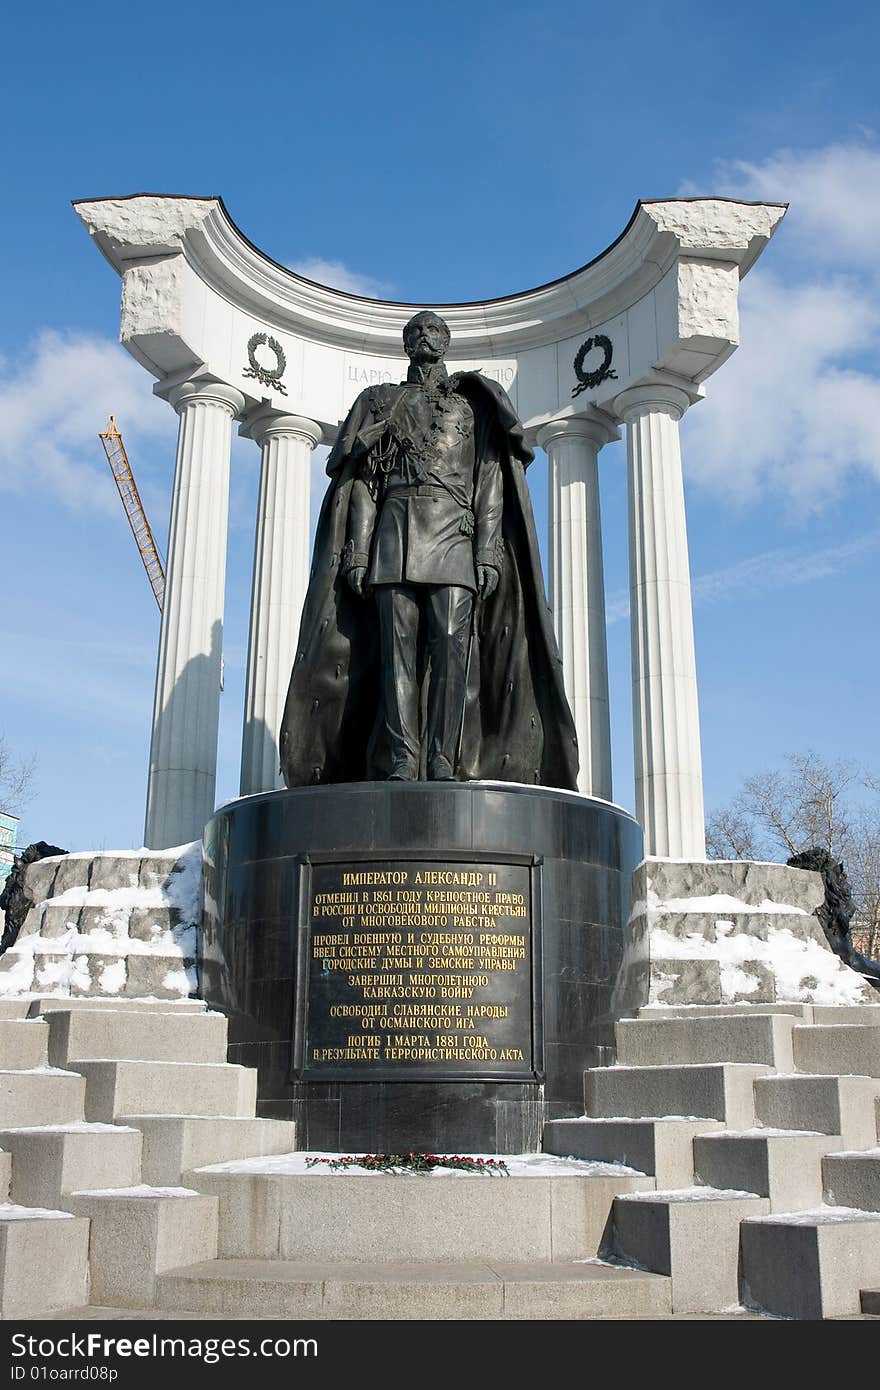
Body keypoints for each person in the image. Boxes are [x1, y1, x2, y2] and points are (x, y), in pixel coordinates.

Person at [279, 311, 578, 791]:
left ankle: (444, 759)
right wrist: (357, 550)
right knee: (396, 657)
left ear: (445, 341)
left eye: (434, 330)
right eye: (416, 330)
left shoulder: (471, 407)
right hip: (393, 539)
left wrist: (486, 550)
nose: (425, 334)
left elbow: (490, 484)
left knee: (452, 655)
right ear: (405, 343)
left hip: (454, 539)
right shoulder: (379, 403)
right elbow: (363, 486)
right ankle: (402, 757)